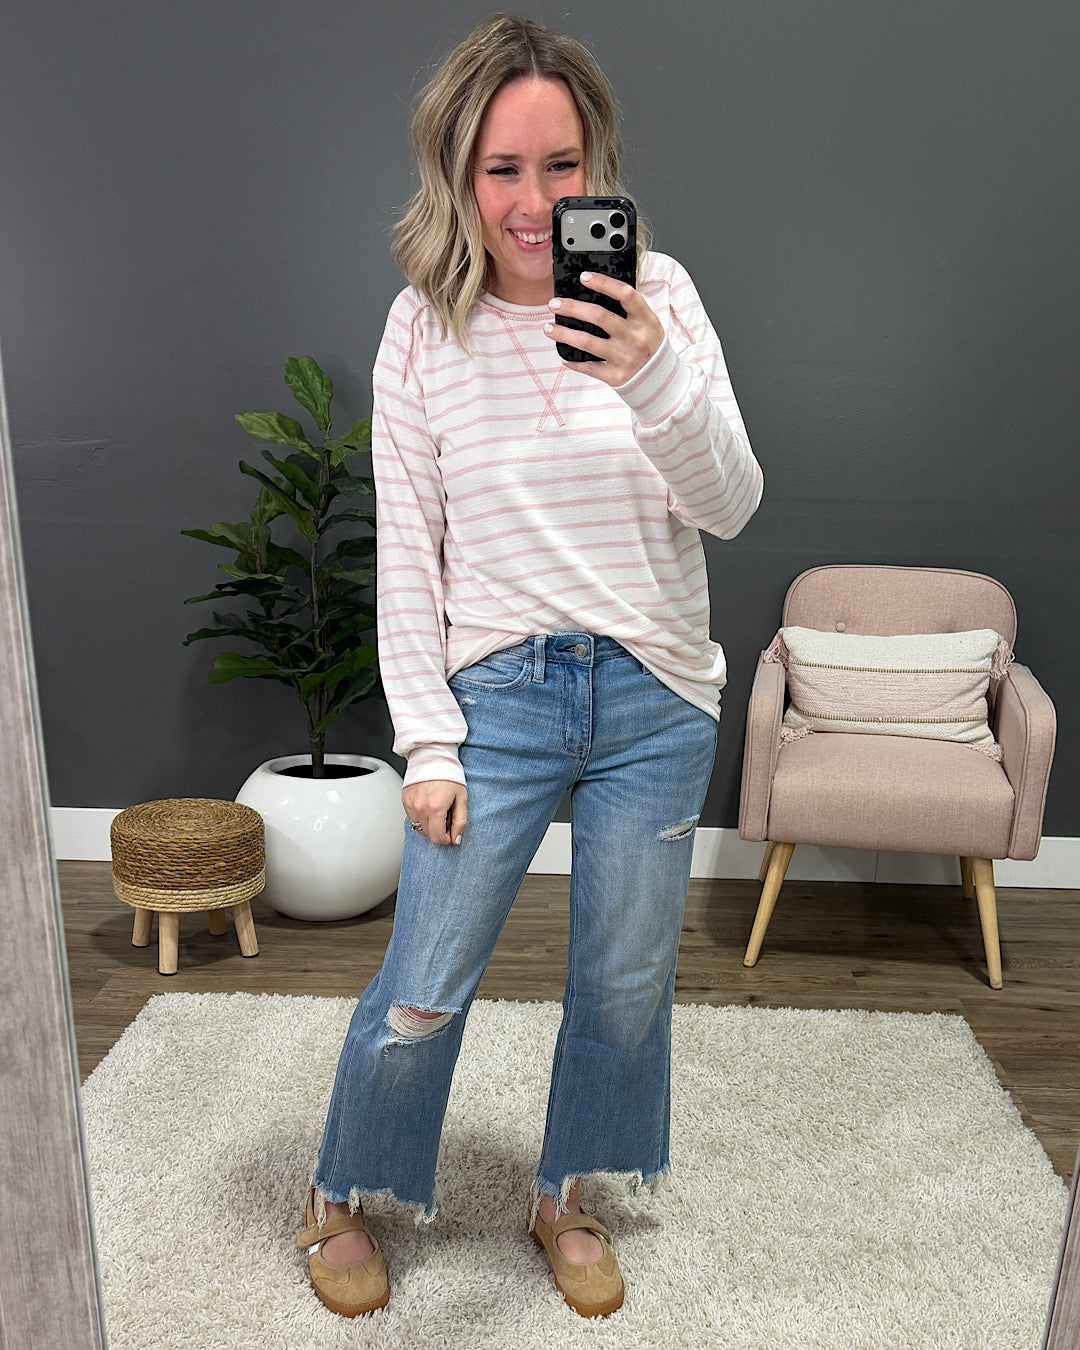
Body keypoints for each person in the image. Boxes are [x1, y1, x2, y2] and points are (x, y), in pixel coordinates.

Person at [296, 13, 763, 1319]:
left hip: (655, 695)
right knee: (425, 983)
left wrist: (654, 376)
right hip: (494, 697)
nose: (532, 201)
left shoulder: (661, 300)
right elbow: (410, 552)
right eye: (502, 168)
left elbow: (732, 505)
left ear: (597, 164)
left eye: (562, 167)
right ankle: (340, 1187)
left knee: (623, 987)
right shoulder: (420, 329)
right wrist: (428, 741)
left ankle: (566, 1192)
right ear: (455, 170)